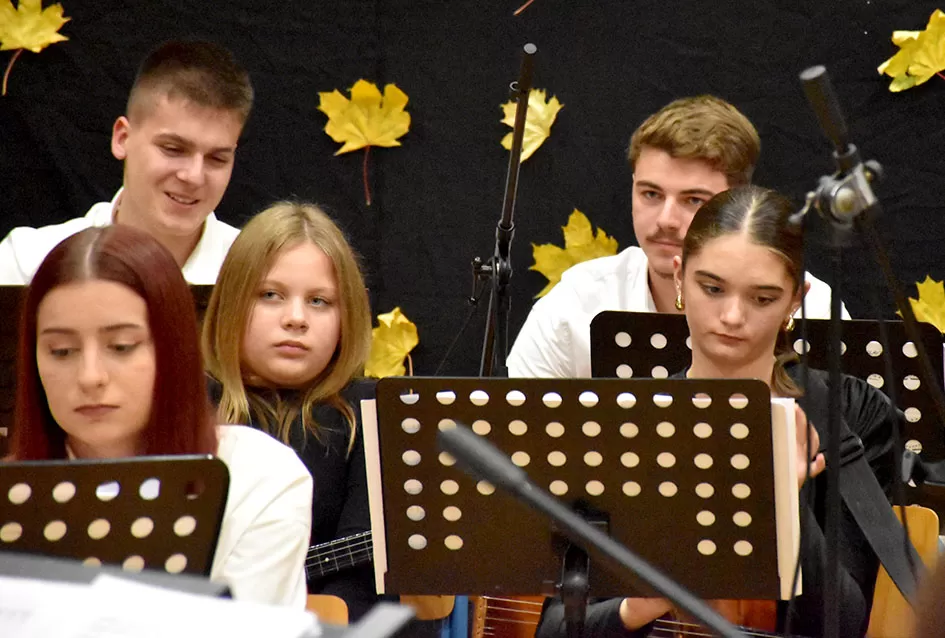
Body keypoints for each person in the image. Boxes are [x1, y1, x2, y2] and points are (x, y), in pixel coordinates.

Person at [536, 186, 902, 638]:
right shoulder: (628, 422)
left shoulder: (849, 414)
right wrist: (637, 607)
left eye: (762, 298)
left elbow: (845, 625)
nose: (731, 316)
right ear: (678, 278)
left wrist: (780, 496)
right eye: (712, 288)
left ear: (795, 300)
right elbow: (554, 628)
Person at [7, 225, 312, 607]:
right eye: (61, 351)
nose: (90, 377)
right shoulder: (13, 494)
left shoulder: (260, 478)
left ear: (174, 350)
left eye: (121, 346)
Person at [507, 95, 848, 379]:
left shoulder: (813, 308)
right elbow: (513, 437)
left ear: (736, 200)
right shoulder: (578, 302)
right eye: (651, 194)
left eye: (694, 200)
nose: (666, 220)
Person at [201, 201, 378, 619]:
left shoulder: (367, 412)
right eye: (270, 295)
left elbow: (360, 586)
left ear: (346, 316)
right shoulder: (193, 404)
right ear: (230, 304)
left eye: (319, 301)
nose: (296, 318)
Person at [0, 39, 253, 285]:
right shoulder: (27, 265)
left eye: (217, 158)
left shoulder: (263, 275)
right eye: (173, 149)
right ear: (122, 138)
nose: (194, 176)